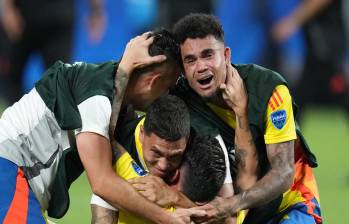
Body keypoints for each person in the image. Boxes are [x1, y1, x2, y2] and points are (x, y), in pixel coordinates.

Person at [0, 29, 203, 224]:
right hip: (8, 169)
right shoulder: (97, 94)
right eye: (168, 87)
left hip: (21, 184)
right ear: (153, 81)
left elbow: (117, 182)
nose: (168, 95)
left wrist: (177, 200)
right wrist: (166, 219)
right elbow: (102, 183)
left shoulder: (117, 107)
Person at [171, 13, 321, 223]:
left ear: (226, 55)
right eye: (190, 60)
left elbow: (284, 173)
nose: (201, 67)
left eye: (208, 55)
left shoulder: (269, 90)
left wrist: (231, 204)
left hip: (291, 206)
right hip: (239, 213)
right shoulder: (182, 102)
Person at [90, 95, 228, 224]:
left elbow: (226, 215)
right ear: (142, 135)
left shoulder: (201, 150)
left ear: (186, 141)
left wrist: (174, 197)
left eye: (174, 156)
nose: (163, 165)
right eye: (156, 153)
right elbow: (103, 196)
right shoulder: (117, 154)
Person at [0, 0, 106, 105]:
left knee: (58, 84)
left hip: (58, 17)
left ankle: (50, 119)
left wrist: (96, 10)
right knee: (8, 79)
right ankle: (19, 118)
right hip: (22, 16)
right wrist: (7, 9)